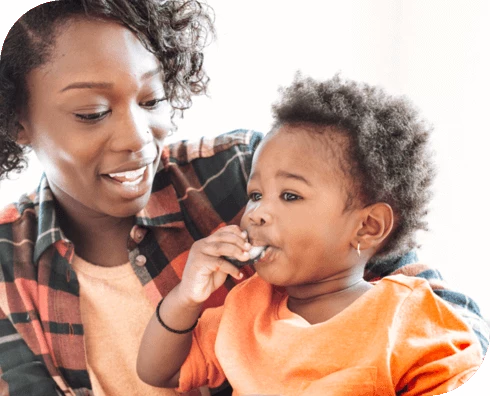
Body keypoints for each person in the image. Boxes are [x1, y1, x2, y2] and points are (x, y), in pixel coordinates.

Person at [0, 0, 487, 395]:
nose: (138, 139)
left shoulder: (242, 167)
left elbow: (452, 319)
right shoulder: (8, 263)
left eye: (151, 100)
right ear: (16, 120)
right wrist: (184, 300)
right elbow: (161, 370)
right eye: (92, 112)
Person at [136, 74, 484, 395]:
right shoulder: (246, 308)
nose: (256, 213)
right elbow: (161, 373)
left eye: (290, 196)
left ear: (367, 227)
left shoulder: (407, 317)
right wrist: (184, 298)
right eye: (255, 195)